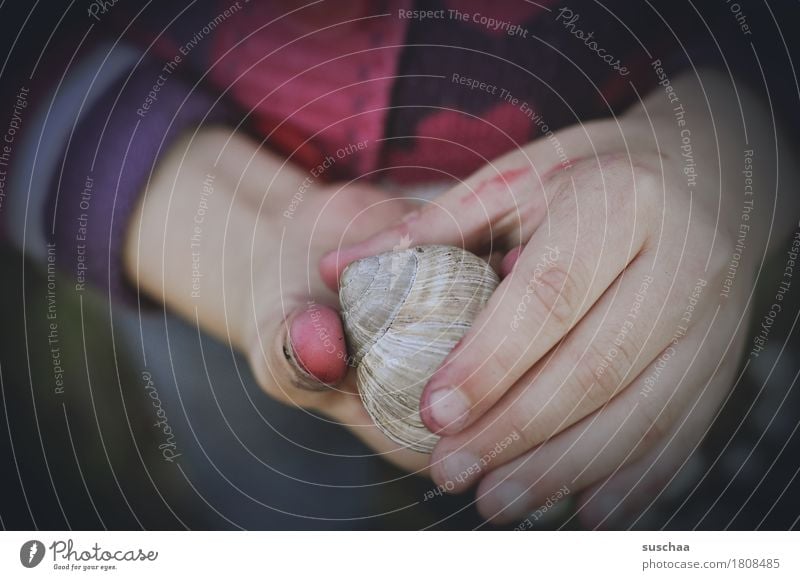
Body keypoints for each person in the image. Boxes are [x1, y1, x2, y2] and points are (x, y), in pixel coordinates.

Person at [2, 0, 797, 527]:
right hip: (191, 261)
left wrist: (724, 143)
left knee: (633, 380)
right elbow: (29, 67)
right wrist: (243, 233)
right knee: (248, 441)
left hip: (599, 240)